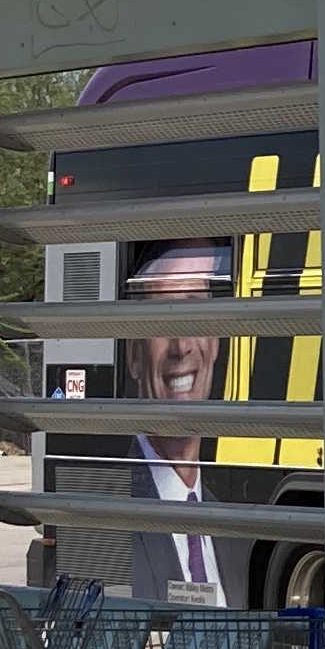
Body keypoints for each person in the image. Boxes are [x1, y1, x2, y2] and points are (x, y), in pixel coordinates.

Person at [115, 239, 245, 608]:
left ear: (216, 344)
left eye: (193, 314)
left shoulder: (235, 530)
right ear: (134, 356)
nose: (181, 346)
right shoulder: (110, 511)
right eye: (163, 320)